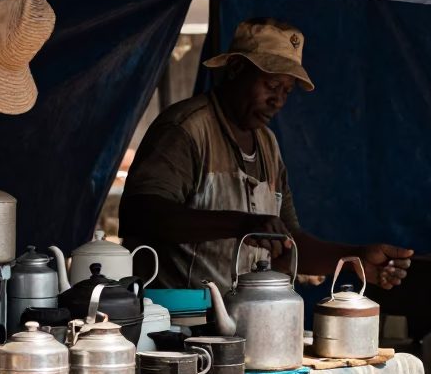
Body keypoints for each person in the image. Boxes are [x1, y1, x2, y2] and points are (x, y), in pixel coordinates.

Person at [119, 17, 412, 293]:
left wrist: (356, 259)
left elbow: (287, 245)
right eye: (271, 85)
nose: (278, 100)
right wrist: (242, 224)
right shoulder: (186, 130)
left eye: (287, 90)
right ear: (235, 68)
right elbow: (141, 214)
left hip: (242, 324)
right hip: (177, 327)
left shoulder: (267, 143)